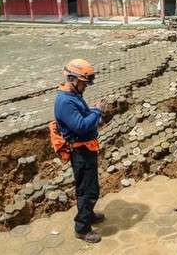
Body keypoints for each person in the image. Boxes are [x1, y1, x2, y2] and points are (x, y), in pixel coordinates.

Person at [54, 58, 105, 243]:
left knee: (90, 187)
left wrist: (92, 111)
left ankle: (88, 215)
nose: (86, 87)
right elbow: (81, 126)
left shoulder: (73, 96)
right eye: (84, 83)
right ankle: (82, 229)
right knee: (87, 190)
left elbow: (81, 117)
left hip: (86, 149)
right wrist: (97, 111)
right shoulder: (65, 101)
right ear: (73, 79)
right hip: (80, 153)